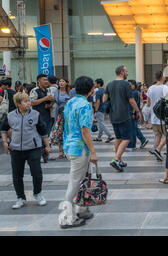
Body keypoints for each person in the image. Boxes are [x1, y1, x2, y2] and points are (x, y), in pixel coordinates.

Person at [0, 92, 50, 209]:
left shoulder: (35, 114)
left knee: (37, 173)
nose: (29, 103)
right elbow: (3, 129)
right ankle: (20, 198)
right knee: (17, 175)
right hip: (16, 149)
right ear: (18, 104)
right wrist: (5, 142)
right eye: (26, 101)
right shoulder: (11, 115)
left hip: (33, 148)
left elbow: (43, 131)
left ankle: (37, 194)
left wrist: (47, 146)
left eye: (29, 101)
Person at [60, 76, 98, 229]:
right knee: (75, 181)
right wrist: (93, 152)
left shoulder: (70, 102)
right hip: (79, 148)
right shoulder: (85, 105)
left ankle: (81, 209)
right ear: (90, 90)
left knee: (81, 178)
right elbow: (85, 130)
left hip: (69, 145)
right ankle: (67, 217)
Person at [103, 65, 141, 172]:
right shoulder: (125, 84)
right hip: (124, 114)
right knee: (126, 138)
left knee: (118, 138)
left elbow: (104, 99)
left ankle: (119, 160)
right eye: (126, 71)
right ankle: (115, 159)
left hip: (113, 115)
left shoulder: (109, 84)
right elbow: (131, 100)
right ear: (122, 72)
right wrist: (138, 111)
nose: (127, 73)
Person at [30, 74, 55, 163]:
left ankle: (45, 154)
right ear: (39, 81)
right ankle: (39, 155)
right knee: (40, 137)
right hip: (38, 118)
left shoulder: (48, 90)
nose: (46, 81)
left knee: (46, 136)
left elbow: (48, 101)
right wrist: (45, 98)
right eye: (44, 80)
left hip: (48, 116)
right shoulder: (35, 90)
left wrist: (50, 103)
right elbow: (32, 102)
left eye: (47, 80)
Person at [147, 71, 168, 161]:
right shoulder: (165, 88)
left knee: (158, 135)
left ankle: (157, 153)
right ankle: (158, 149)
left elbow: (148, 103)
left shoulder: (150, 88)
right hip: (163, 117)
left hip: (154, 117)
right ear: (162, 77)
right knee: (167, 135)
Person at [49, 77, 72, 159]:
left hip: (69, 115)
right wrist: (49, 104)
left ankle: (67, 151)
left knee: (68, 132)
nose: (61, 83)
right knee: (60, 133)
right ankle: (61, 151)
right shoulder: (56, 92)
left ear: (66, 83)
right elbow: (52, 102)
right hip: (59, 115)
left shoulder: (70, 93)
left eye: (63, 81)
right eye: (60, 81)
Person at [128, 80, 148, 151]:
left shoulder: (134, 92)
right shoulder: (135, 92)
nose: (129, 85)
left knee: (133, 129)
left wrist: (133, 113)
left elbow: (134, 104)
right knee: (134, 128)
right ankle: (143, 140)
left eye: (130, 84)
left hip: (133, 113)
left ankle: (133, 145)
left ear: (134, 85)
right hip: (134, 112)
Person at [93, 79, 114, 143]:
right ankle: (99, 137)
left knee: (101, 123)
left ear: (99, 84)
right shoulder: (105, 90)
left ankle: (110, 135)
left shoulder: (98, 92)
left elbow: (98, 101)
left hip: (99, 109)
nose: (94, 84)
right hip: (104, 108)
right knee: (100, 123)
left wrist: (96, 110)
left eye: (95, 83)